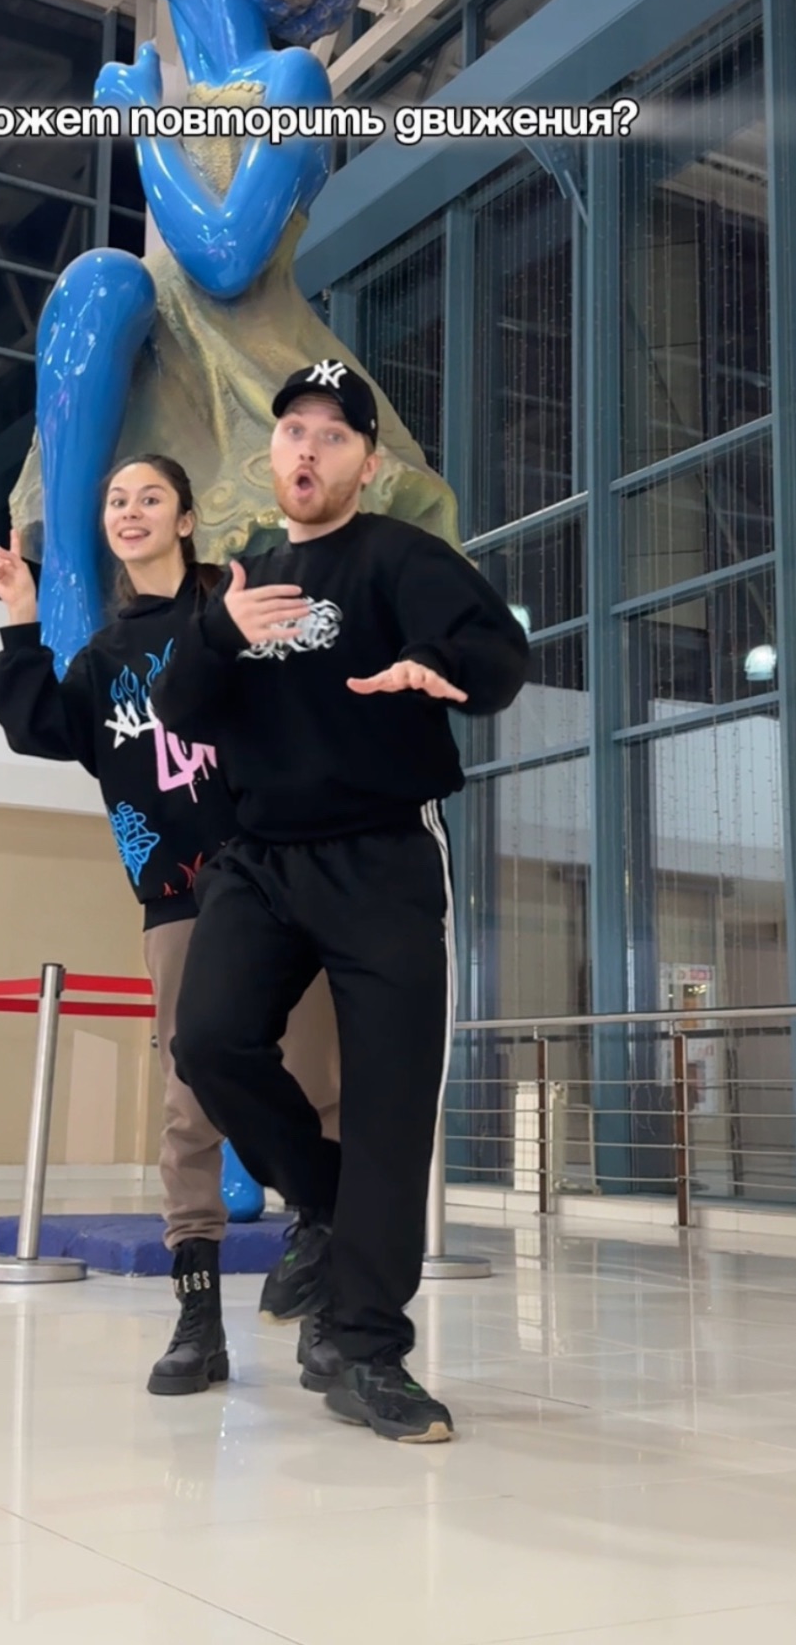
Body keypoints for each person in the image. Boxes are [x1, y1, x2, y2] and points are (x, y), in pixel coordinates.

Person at [8, 0, 460, 675]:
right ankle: (70, 589)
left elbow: (222, 259)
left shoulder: (290, 80)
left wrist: (146, 125)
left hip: (239, 352)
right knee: (100, 284)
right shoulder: (206, 66)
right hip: (162, 338)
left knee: (107, 277)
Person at [151, 363, 530, 1444]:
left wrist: (432, 663)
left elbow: (497, 654)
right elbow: (181, 707)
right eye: (293, 432)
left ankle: (365, 1349)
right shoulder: (241, 579)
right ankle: (322, 1199)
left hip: (380, 854)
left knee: (389, 1107)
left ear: (367, 463)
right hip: (258, 857)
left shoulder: (403, 558)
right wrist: (218, 633)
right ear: (271, 454)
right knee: (210, 1042)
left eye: (332, 435)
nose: (308, 449)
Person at [0, 455, 341, 1398]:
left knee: (316, 1087)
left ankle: (331, 1302)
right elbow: (38, 728)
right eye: (116, 501)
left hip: (282, 881)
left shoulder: (235, 610)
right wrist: (19, 615)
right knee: (189, 1105)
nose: (129, 512)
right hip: (179, 899)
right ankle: (197, 1317)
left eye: (150, 498)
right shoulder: (105, 658)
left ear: (185, 518)